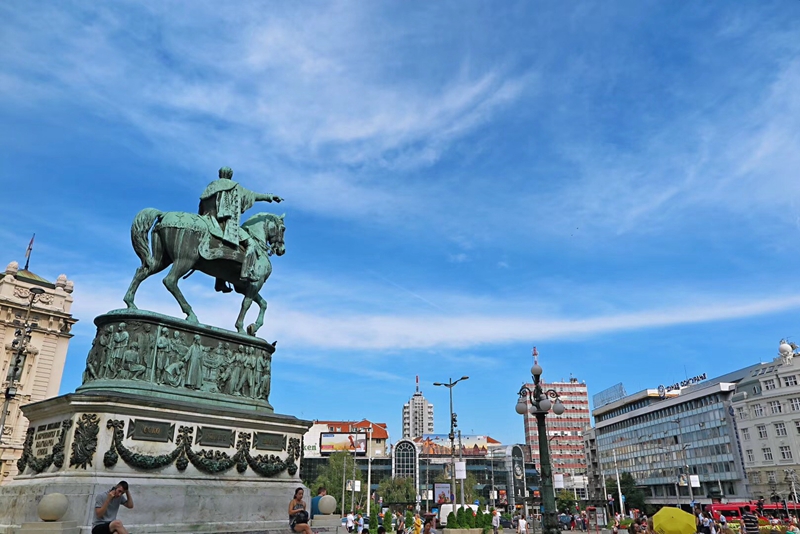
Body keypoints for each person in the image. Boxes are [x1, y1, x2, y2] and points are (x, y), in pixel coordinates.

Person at [198, 166, 283, 292]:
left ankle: (220, 282)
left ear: (220, 174)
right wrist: (269, 197)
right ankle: (246, 273)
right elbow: (254, 195)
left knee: (222, 249)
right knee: (251, 245)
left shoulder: (210, 187)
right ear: (230, 175)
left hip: (208, 220)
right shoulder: (234, 186)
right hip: (226, 224)